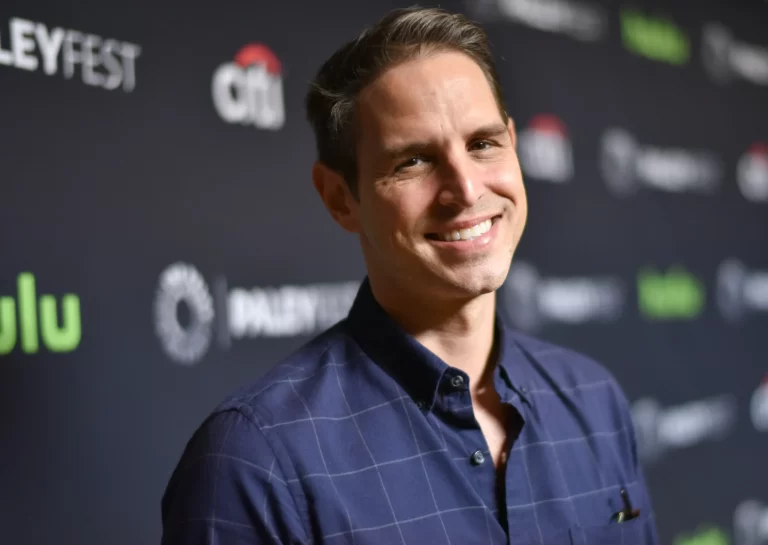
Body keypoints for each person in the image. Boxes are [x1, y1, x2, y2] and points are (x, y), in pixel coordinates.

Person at [160, 6, 658, 544]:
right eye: (414, 161)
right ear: (338, 198)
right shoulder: (256, 463)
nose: (466, 190)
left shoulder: (594, 400)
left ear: (513, 144)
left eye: (483, 143)